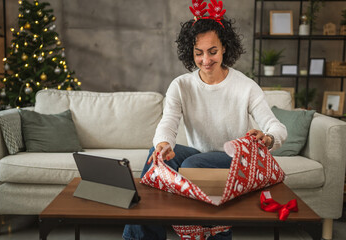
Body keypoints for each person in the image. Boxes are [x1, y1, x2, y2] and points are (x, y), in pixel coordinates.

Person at [123, 1, 287, 239]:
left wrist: (268, 138)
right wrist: (163, 144)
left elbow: (277, 128)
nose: (206, 60)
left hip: (234, 160)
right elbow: (168, 122)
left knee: (192, 166)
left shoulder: (245, 86)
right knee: (156, 157)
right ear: (191, 53)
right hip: (198, 155)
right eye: (199, 53)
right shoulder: (181, 85)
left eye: (213, 51)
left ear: (225, 49)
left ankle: (210, 232)